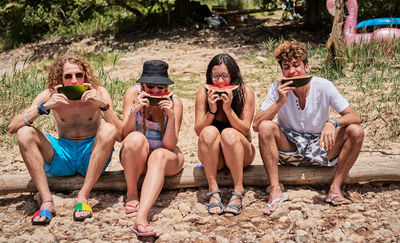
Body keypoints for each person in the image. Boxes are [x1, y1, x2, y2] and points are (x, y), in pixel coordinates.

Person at [8, 54, 122, 225]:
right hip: (62, 155)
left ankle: (83, 196)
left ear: (86, 75)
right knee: (24, 132)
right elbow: (12, 127)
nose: (74, 81)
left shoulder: (99, 92)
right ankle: (47, 201)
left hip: (90, 155)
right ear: (59, 78)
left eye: (79, 75)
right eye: (68, 76)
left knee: (108, 128)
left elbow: (119, 135)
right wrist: (43, 108)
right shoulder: (50, 94)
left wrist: (103, 105)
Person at [253, 40, 364, 215]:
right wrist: (280, 101)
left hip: (321, 146)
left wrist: (332, 122)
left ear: (307, 66)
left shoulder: (324, 86)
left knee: (356, 131)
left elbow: (355, 116)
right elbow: (257, 125)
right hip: (289, 147)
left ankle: (335, 189)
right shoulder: (277, 88)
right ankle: (275, 189)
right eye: (286, 67)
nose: (292, 71)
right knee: (266, 127)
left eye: (296, 65)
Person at [120, 60, 184, 237]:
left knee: (158, 155)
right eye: (150, 86)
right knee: (135, 138)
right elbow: (125, 135)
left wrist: (170, 116)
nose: (156, 91)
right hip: (137, 157)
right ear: (142, 84)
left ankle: (141, 218)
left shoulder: (175, 102)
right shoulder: (132, 94)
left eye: (161, 87)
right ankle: (132, 193)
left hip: (164, 158)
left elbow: (170, 145)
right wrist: (135, 111)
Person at [194, 54, 255, 215]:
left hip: (242, 154)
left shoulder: (245, 91)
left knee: (229, 133)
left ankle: (238, 188)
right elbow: (198, 131)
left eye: (225, 76)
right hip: (215, 158)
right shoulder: (203, 93)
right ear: (210, 76)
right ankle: (213, 189)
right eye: (216, 76)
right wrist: (212, 111)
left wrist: (228, 110)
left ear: (233, 75)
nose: (220, 82)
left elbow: (245, 130)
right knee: (208, 131)